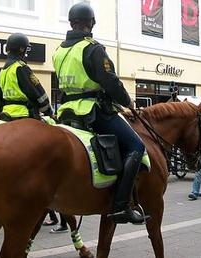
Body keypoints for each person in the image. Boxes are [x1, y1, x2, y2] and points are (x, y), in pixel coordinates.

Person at [52, 2, 149, 224]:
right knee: (136, 146)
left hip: (66, 112)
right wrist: (128, 102)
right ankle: (121, 206)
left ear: (71, 23)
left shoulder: (59, 51)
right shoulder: (92, 48)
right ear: (91, 23)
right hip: (92, 110)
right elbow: (110, 82)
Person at [0, 32, 53, 121]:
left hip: (6, 113)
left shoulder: (3, 70)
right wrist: (48, 111)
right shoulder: (21, 67)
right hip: (23, 113)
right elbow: (36, 91)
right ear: (22, 49)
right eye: (26, 50)